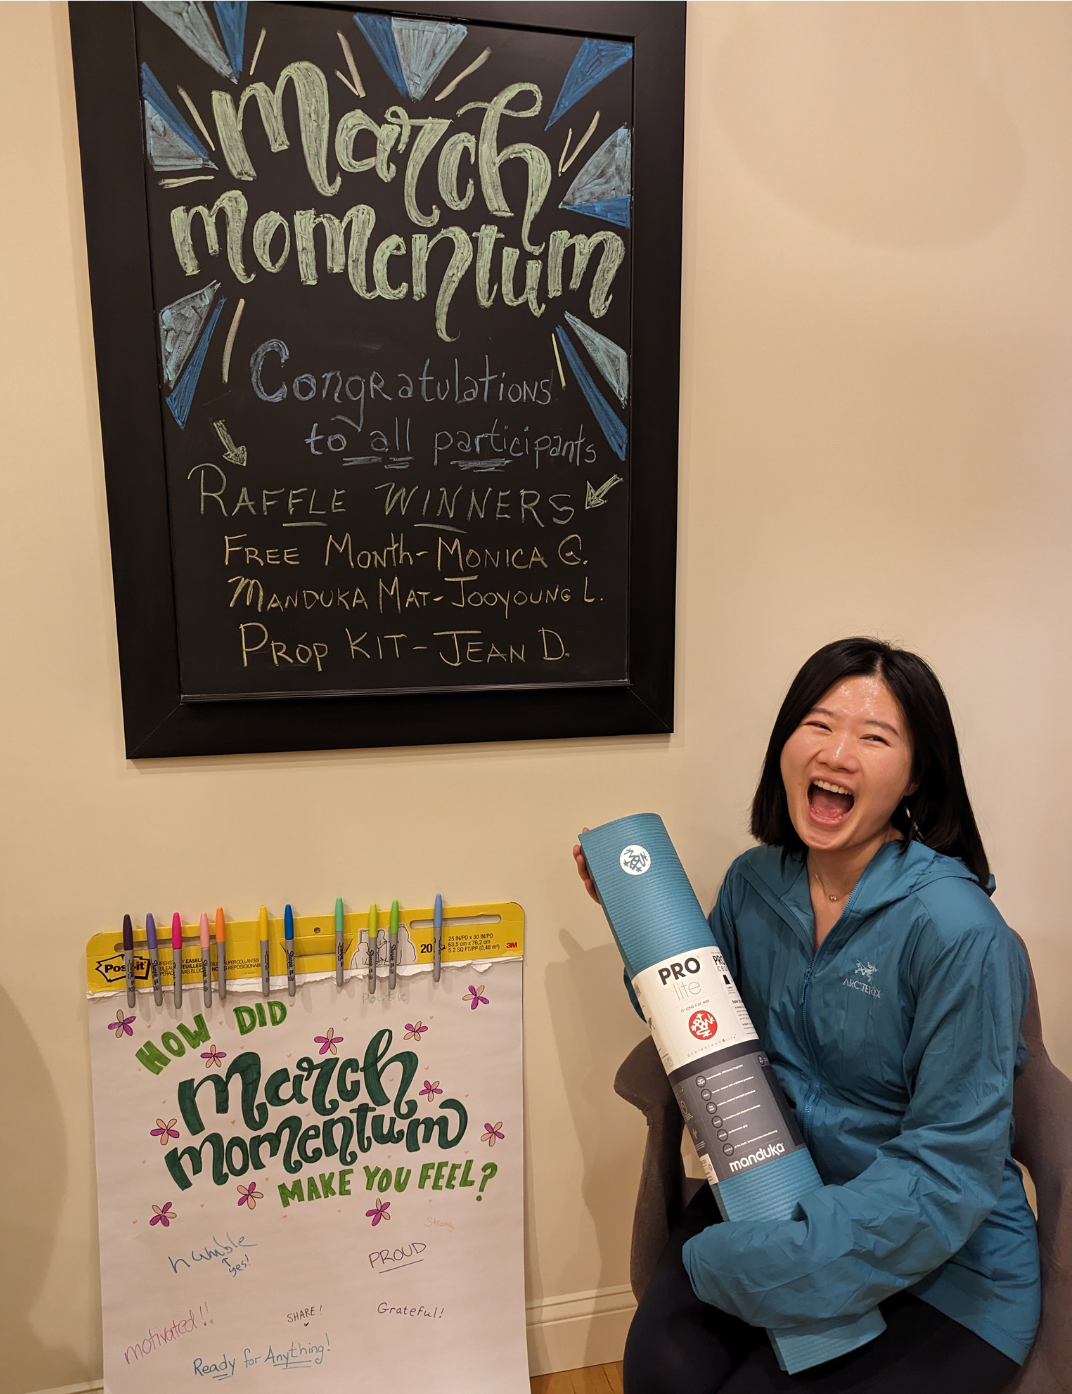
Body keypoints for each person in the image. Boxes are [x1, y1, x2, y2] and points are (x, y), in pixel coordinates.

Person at [573, 638, 1040, 1394]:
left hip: (946, 1268)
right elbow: (700, 1019)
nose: (839, 753)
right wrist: (637, 922)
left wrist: (773, 1261)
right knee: (660, 1376)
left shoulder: (958, 931)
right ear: (787, 744)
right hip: (776, 1194)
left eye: (875, 737)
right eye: (819, 725)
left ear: (916, 774)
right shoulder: (756, 882)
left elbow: (950, 1173)